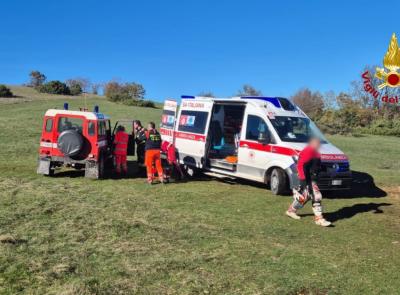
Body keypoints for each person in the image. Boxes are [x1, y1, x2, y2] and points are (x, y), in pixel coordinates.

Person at [285, 137, 331, 227]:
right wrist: (302, 179)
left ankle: (291, 211)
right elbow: (300, 165)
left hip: (312, 178)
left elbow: (316, 165)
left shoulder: (315, 152)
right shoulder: (307, 151)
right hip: (307, 178)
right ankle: (319, 219)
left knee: (305, 196)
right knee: (317, 195)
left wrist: (324, 169)